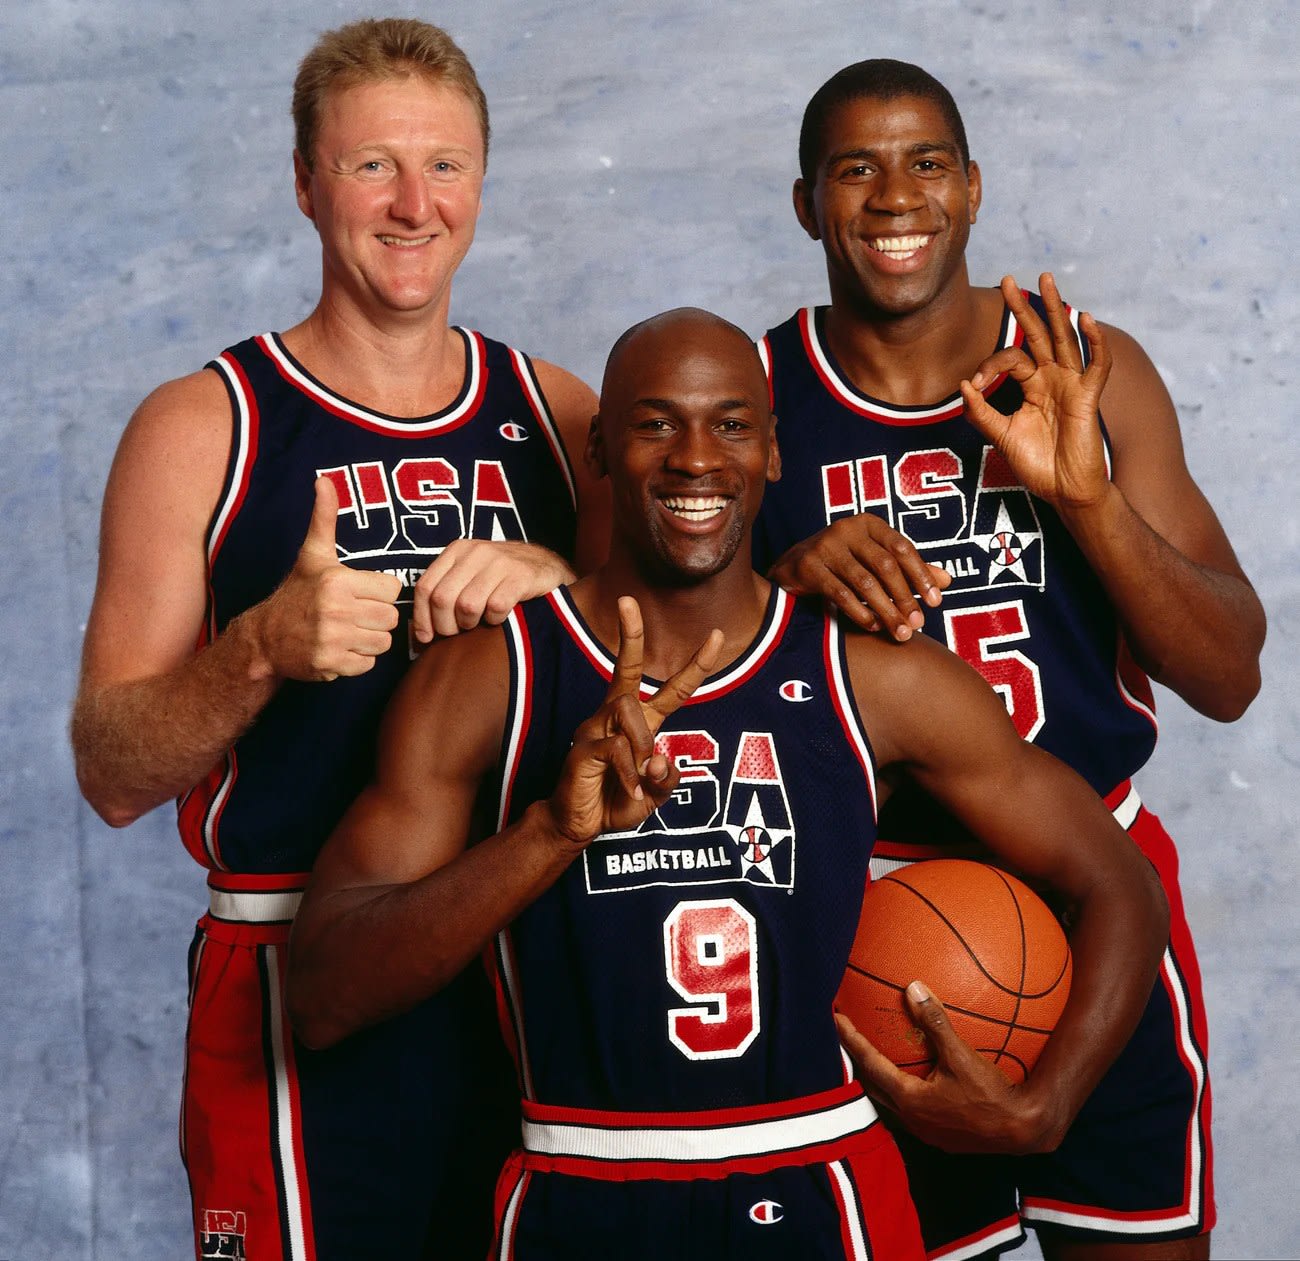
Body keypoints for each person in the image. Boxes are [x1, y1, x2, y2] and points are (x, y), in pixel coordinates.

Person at [286, 308, 1168, 1260]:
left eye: (732, 423)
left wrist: (1049, 1104)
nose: (696, 457)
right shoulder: (487, 680)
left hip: (823, 1186)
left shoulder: (875, 677)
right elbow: (325, 994)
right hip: (574, 1187)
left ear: (775, 451)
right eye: (655, 423)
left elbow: (1118, 879)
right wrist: (548, 831)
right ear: (599, 449)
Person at [69, 18, 606, 1260]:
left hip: (527, 955)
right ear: (306, 183)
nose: (413, 204)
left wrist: (560, 576)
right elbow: (109, 771)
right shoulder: (203, 425)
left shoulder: (559, 413)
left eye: (446, 165)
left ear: (483, 181)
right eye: (372, 166)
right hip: (288, 972)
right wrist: (257, 645)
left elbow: (683, 659)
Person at [753, 59, 1266, 1261]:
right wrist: (775, 587)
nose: (895, 197)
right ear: (805, 203)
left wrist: (1088, 505)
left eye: (926, 162)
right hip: (875, 917)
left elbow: (1230, 677)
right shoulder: (752, 407)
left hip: (1098, 897)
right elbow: (667, 685)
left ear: (973, 187)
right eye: (856, 169)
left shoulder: (1085, 366)